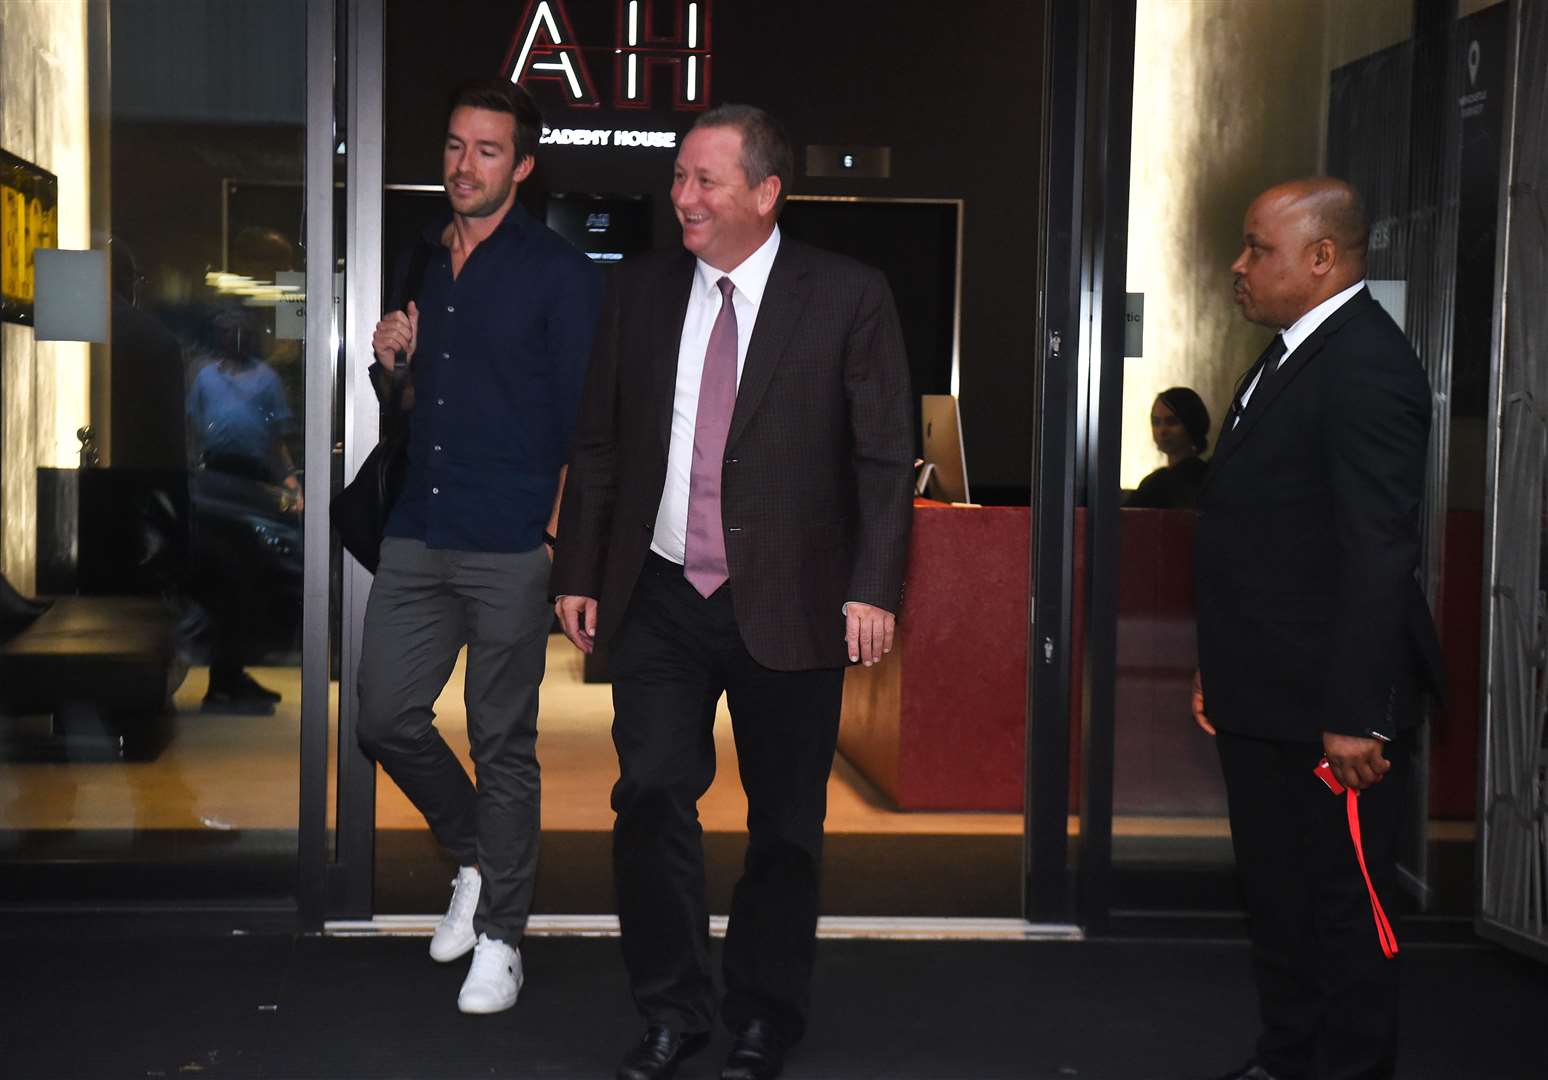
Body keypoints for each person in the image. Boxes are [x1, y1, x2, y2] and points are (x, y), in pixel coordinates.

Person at [550, 105, 913, 1080]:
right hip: (661, 594)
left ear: (765, 192)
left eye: (705, 180)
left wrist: (874, 585)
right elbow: (598, 443)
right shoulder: (638, 290)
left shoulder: (847, 295)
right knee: (652, 795)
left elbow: (884, 458)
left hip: (790, 599)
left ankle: (765, 1017)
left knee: (785, 826)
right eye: (677, 179)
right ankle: (673, 1011)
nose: (683, 198)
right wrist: (580, 571)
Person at [354, 79, 602, 1015]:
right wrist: (395, 371)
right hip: (420, 526)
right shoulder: (424, 261)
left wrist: (555, 540)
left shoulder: (562, 275)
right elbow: (419, 411)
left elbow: (591, 425)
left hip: (510, 542)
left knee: (505, 742)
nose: (466, 165)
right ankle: (472, 856)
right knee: (385, 718)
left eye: (488, 151)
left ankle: (502, 934)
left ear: (523, 167)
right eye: (456, 146)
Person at [1191, 177, 1444, 1080]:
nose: (1240, 265)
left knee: (1343, 908)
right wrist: (1219, 667)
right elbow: (1266, 535)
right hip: (1265, 694)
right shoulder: (1292, 352)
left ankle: (1347, 1067)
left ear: (1322, 258)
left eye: (1259, 248)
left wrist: (1358, 712)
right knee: (1280, 899)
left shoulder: (1366, 363)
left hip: (1330, 711)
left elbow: (1379, 553)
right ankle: (1288, 1056)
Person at [186, 304, 301, 713]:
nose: (232, 335)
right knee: (223, 583)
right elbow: (194, 431)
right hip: (215, 481)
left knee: (244, 583)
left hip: (250, 483)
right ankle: (225, 678)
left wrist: (290, 481)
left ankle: (229, 676)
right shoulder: (205, 378)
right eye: (224, 328)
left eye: (238, 329)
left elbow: (273, 438)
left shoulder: (266, 378)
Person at [1123, 386, 1210, 508]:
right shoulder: (1155, 482)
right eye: (1156, 422)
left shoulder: (1208, 478)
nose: (1162, 431)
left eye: (1172, 422)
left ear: (1192, 424)